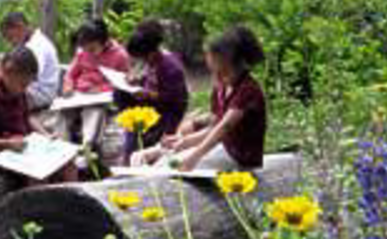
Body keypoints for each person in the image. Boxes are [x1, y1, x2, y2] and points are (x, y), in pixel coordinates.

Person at [133, 26, 267, 171]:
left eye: (223, 73)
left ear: (239, 65)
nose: (218, 78)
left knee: (171, 166)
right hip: (223, 150)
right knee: (151, 159)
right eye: (214, 73)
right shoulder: (221, 87)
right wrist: (183, 141)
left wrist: (193, 157)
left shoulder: (248, 89)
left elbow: (224, 128)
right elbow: (214, 127)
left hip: (240, 158)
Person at [0, 46, 76, 184]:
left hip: (22, 145)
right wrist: (6, 144)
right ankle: (38, 204)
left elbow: (27, 117)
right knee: (38, 174)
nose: (25, 88)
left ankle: (73, 203)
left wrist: (45, 135)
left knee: (69, 163)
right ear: (6, 72)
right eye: (23, 84)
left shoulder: (16, 87)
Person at [115, 19, 188, 160]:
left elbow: (175, 99)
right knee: (119, 93)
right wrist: (136, 82)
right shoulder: (152, 61)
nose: (142, 61)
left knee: (134, 147)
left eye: (143, 57)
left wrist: (149, 95)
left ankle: (135, 145)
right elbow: (149, 80)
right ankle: (131, 136)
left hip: (167, 113)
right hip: (150, 105)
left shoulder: (171, 67)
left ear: (152, 51)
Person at [60, 18, 131, 153]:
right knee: (62, 114)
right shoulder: (82, 53)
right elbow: (70, 74)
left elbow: (124, 83)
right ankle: (61, 148)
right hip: (78, 96)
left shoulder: (120, 55)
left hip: (99, 100)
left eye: (92, 49)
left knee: (94, 113)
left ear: (104, 41)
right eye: (85, 48)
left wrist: (100, 89)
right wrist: (68, 86)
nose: (88, 52)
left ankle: (87, 150)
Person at [0, 11, 60, 111]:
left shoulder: (37, 45)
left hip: (41, 94)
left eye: (11, 38)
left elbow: (26, 75)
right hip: (32, 88)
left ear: (20, 27)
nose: (11, 43)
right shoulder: (30, 43)